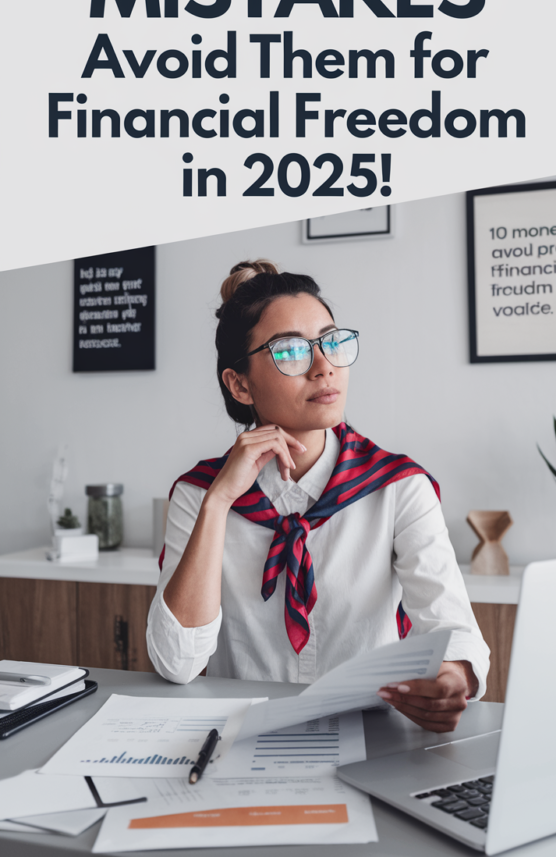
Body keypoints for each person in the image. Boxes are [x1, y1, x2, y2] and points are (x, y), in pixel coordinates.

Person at [147, 260, 490, 733]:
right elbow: (176, 662)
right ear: (240, 383)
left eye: (332, 342)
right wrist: (220, 501)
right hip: (243, 737)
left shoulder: (398, 487)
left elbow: (452, 630)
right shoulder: (199, 493)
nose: (324, 366)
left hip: (372, 736)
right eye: (290, 351)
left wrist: (453, 677)